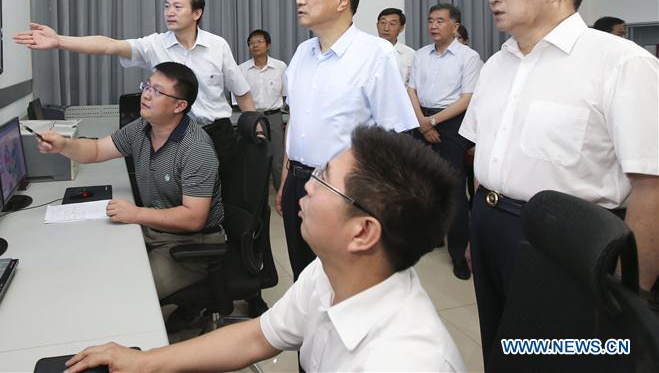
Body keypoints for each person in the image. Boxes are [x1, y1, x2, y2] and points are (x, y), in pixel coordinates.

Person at [65, 127, 465, 373]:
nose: (306, 185)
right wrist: (144, 362)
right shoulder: (329, 273)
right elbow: (258, 337)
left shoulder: (404, 361)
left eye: (323, 181)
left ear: (362, 232)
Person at [460, 0, 659, 366]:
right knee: (502, 346)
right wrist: (480, 223)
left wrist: (630, 292)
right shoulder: (496, 65)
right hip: (491, 224)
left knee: (559, 356)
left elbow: (652, 185)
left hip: (568, 242)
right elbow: (485, 156)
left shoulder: (620, 63)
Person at [35, 62, 224, 301]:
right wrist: (64, 145)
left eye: (157, 91)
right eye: (147, 86)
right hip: (153, 230)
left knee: (128, 296)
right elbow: (95, 150)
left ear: (179, 105)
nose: (145, 94)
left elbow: (193, 218)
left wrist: (136, 214)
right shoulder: (143, 128)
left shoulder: (195, 148)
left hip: (190, 247)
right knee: (96, 266)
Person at [14, 0, 256, 171]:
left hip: (217, 133)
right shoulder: (154, 44)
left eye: (177, 7)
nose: (169, 12)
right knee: (179, 200)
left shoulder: (217, 45)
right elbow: (110, 46)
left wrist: (255, 128)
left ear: (197, 13)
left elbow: (241, 91)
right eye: (166, 6)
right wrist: (60, 41)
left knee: (225, 197)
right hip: (173, 135)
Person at [278, 0, 417, 281]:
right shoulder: (301, 53)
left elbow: (396, 138)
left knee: (343, 284)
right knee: (305, 280)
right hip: (298, 181)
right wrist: (287, 179)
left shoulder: (375, 54)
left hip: (345, 189)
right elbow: (298, 122)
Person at [407, 3, 483, 280]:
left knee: (452, 192)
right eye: (430, 20)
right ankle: (432, 236)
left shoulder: (468, 56)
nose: (433, 25)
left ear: (456, 25)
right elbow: (411, 88)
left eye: (440, 21)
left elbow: (467, 98)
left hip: (451, 124)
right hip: (421, 120)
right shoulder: (421, 54)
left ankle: (459, 253)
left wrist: (434, 122)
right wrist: (422, 122)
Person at [236, 29, 287, 191]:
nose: (255, 45)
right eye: (251, 43)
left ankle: (281, 195)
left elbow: (286, 94)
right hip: (253, 118)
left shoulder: (280, 67)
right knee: (255, 160)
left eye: (259, 41)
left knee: (278, 160)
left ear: (268, 45)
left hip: (274, 117)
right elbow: (238, 97)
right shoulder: (241, 69)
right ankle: (258, 198)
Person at [376, 7, 415, 85]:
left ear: (401, 28)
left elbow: (413, 86)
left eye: (392, 24)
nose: (386, 28)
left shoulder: (410, 55)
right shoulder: (367, 51)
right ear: (377, 25)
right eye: (383, 23)